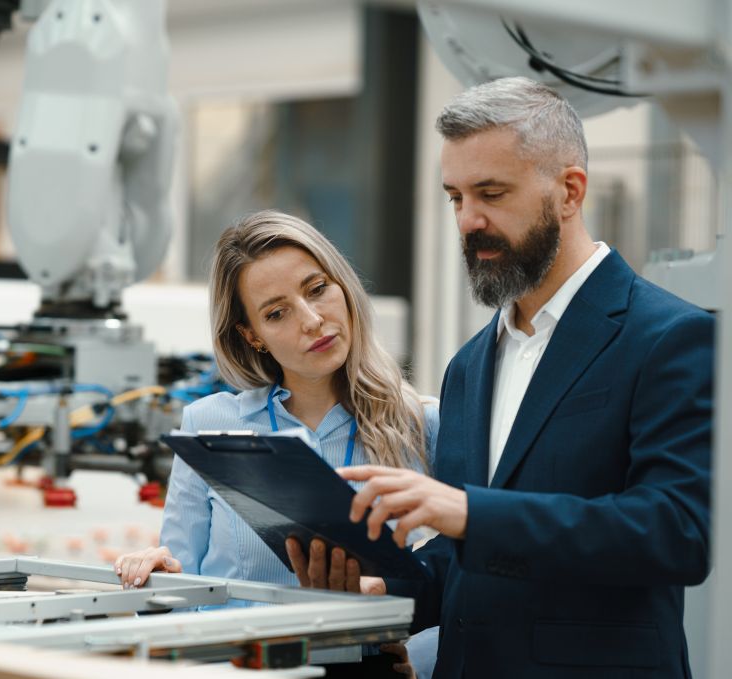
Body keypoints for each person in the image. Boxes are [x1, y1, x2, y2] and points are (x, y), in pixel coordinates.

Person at [288, 77, 714, 679]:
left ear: (569, 192)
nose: (468, 221)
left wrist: (467, 512)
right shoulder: (470, 364)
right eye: (455, 197)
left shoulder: (669, 337)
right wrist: (383, 594)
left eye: (490, 193)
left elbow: (675, 531)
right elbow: (472, 558)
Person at [114, 209, 439, 677]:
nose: (312, 320)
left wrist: (419, 661)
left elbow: (462, 584)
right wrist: (152, 578)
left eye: (317, 289)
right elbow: (178, 600)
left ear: (343, 286)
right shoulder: (209, 425)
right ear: (253, 335)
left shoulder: (420, 424)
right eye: (276, 313)